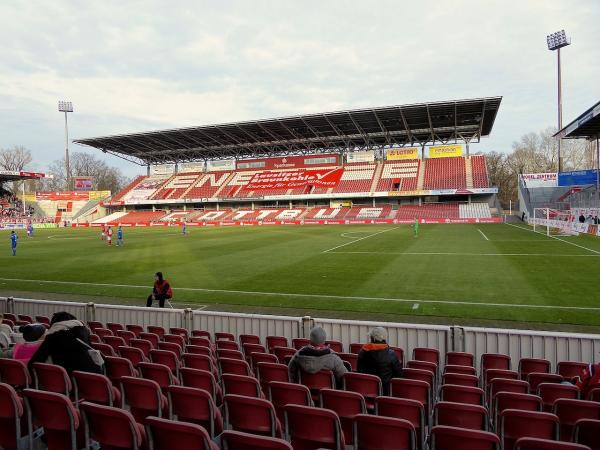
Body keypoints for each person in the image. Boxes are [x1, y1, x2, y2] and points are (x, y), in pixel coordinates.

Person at [28, 312, 102, 374]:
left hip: (69, 382)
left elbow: (34, 362)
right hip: (92, 377)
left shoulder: (52, 337)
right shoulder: (85, 332)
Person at [357, 327, 402, 395]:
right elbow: (398, 375)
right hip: (386, 394)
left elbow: (359, 371)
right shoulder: (391, 354)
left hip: (365, 392)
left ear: (373, 338)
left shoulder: (362, 352)